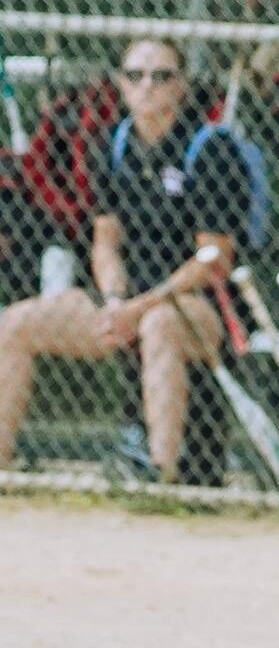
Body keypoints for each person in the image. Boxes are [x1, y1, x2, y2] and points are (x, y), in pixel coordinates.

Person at [0, 39, 247, 480]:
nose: (147, 86)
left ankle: (159, 477)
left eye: (162, 76)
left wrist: (138, 308)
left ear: (181, 87)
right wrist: (115, 300)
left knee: (160, 326)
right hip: (125, 300)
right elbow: (105, 242)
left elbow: (212, 260)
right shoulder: (112, 146)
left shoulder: (209, 148)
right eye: (135, 76)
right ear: (120, 84)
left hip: (195, 305)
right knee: (16, 323)